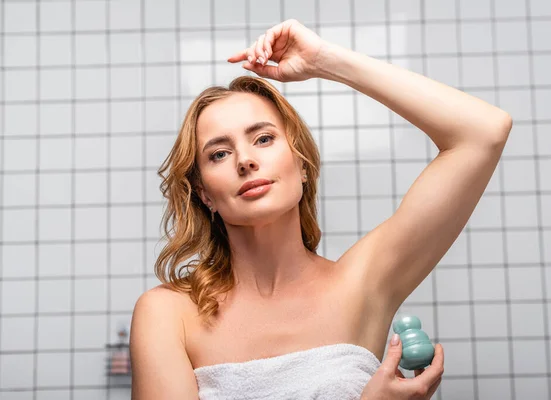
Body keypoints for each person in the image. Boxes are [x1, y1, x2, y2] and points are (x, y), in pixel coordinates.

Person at [130, 19, 512, 399]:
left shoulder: (363, 284)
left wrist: (324, 60)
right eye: (219, 153)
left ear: (302, 165)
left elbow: (483, 132)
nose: (245, 160)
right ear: (204, 193)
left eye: (263, 138)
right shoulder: (168, 315)